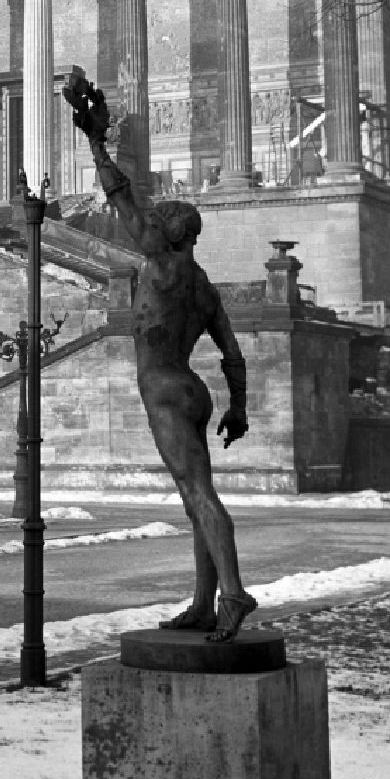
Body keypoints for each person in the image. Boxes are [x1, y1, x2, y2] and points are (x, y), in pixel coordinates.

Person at [63, 68, 257, 643]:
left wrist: (96, 140)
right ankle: (202, 602)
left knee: (199, 494)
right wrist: (237, 409)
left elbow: (121, 198)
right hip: (194, 389)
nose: (151, 223)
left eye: (160, 219)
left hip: (165, 388)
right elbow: (233, 354)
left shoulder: (162, 264)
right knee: (196, 497)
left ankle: (234, 594)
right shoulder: (203, 286)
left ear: (170, 232)